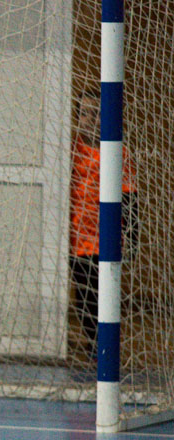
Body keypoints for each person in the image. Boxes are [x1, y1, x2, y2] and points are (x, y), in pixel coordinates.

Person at [69, 90, 137, 356]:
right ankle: (92, 344)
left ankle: (102, 346)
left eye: (97, 114)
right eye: (85, 114)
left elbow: (130, 199)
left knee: (104, 296)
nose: (91, 120)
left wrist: (131, 238)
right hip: (77, 239)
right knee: (84, 296)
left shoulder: (118, 152)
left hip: (105, 239)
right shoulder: (71, 150)